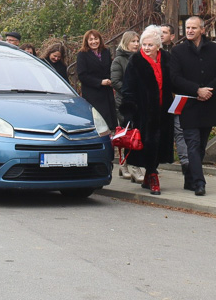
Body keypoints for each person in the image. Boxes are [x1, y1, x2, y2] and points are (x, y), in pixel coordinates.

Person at [169, 16, 216, 196]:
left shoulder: (213, 48)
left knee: (201, 146)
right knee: (192, 144)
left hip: (208, 103)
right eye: (187, 28)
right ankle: (200, 183)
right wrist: (197, 90)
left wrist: (209, 89)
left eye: (193, 28)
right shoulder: (178, 51)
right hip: (190, 105)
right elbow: (175, 79)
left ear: (202, 30)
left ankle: (190, 178)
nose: (189, 31)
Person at [119, 25, 175, 195]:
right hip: (143, 112)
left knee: (160, 144)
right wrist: (129, 112)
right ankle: (153, 176)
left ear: (158, 45)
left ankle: (148, 176)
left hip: (164, 109)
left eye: (150, 45)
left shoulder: (166, 58)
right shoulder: (135, 61)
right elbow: (127, 89)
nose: (146, 48)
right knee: (148, 143)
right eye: (144, 44)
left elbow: (174, 80)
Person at [110, 31, 144, 182]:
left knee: (138, 133)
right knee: (128, 134)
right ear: (126, 43)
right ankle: (127, 166)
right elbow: (115, 81)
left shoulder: (142, 58)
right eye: (133, 41)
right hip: (124, 103)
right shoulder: (119, 60)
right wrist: (130, 91)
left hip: (140, 102)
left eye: (138, 41)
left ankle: (132, 164)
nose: (136, 44)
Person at [161, 23, 189, 183]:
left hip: (175, 97)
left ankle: (186, 165)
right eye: (159, 32)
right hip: (159, 100)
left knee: (179, 131)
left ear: (172, 37)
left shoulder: (177, 53)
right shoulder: (153, 52)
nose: (161, 35)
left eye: (164, 32)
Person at [75, 29, 117, 130]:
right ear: (86, 41)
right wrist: (100, 82)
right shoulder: (82, 54)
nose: (94, 42)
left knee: (110, 123)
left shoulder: (106, 52)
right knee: (98, 122)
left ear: (100, 39)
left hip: (106, 92)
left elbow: (110, 68)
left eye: (96, 39)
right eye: (91, 40)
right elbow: (82, 75)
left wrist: (111, 79)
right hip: (92, 93)